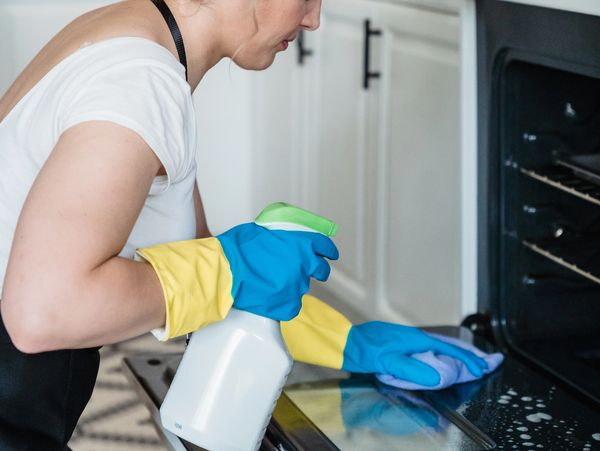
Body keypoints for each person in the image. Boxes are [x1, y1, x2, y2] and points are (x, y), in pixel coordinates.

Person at [0, 0, 489, 448]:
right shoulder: (138, 83)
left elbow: (203, 271)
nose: (313, 19)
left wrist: (344, 341)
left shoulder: (134, 42)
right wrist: (230, 265)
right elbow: (44, 313)